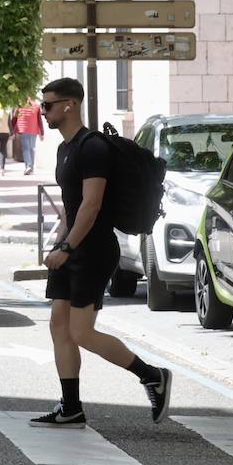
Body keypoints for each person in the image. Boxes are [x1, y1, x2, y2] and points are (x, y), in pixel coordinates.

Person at [32, 77, 171, 428]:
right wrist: (59, 241)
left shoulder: (93, 148)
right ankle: (71, 407)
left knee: (81, 332)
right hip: (73, 246)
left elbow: (91, 206)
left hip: (93, 249)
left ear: (69, 105)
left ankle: (152, 375)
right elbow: (71, 206)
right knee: (59, 327)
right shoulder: (65, 149)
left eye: (48, 105)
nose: (43, 111)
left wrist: (67, 246)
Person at [13, 97, 44, 175]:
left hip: (23, 129)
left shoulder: (20, 105)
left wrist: (13, 130)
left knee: (26, 148)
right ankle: (31, 168)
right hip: (33, 130)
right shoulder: (36, 106)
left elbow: (14, 118)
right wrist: (42, 133)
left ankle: (28, 166)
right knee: (31, 148)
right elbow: (39, 120)